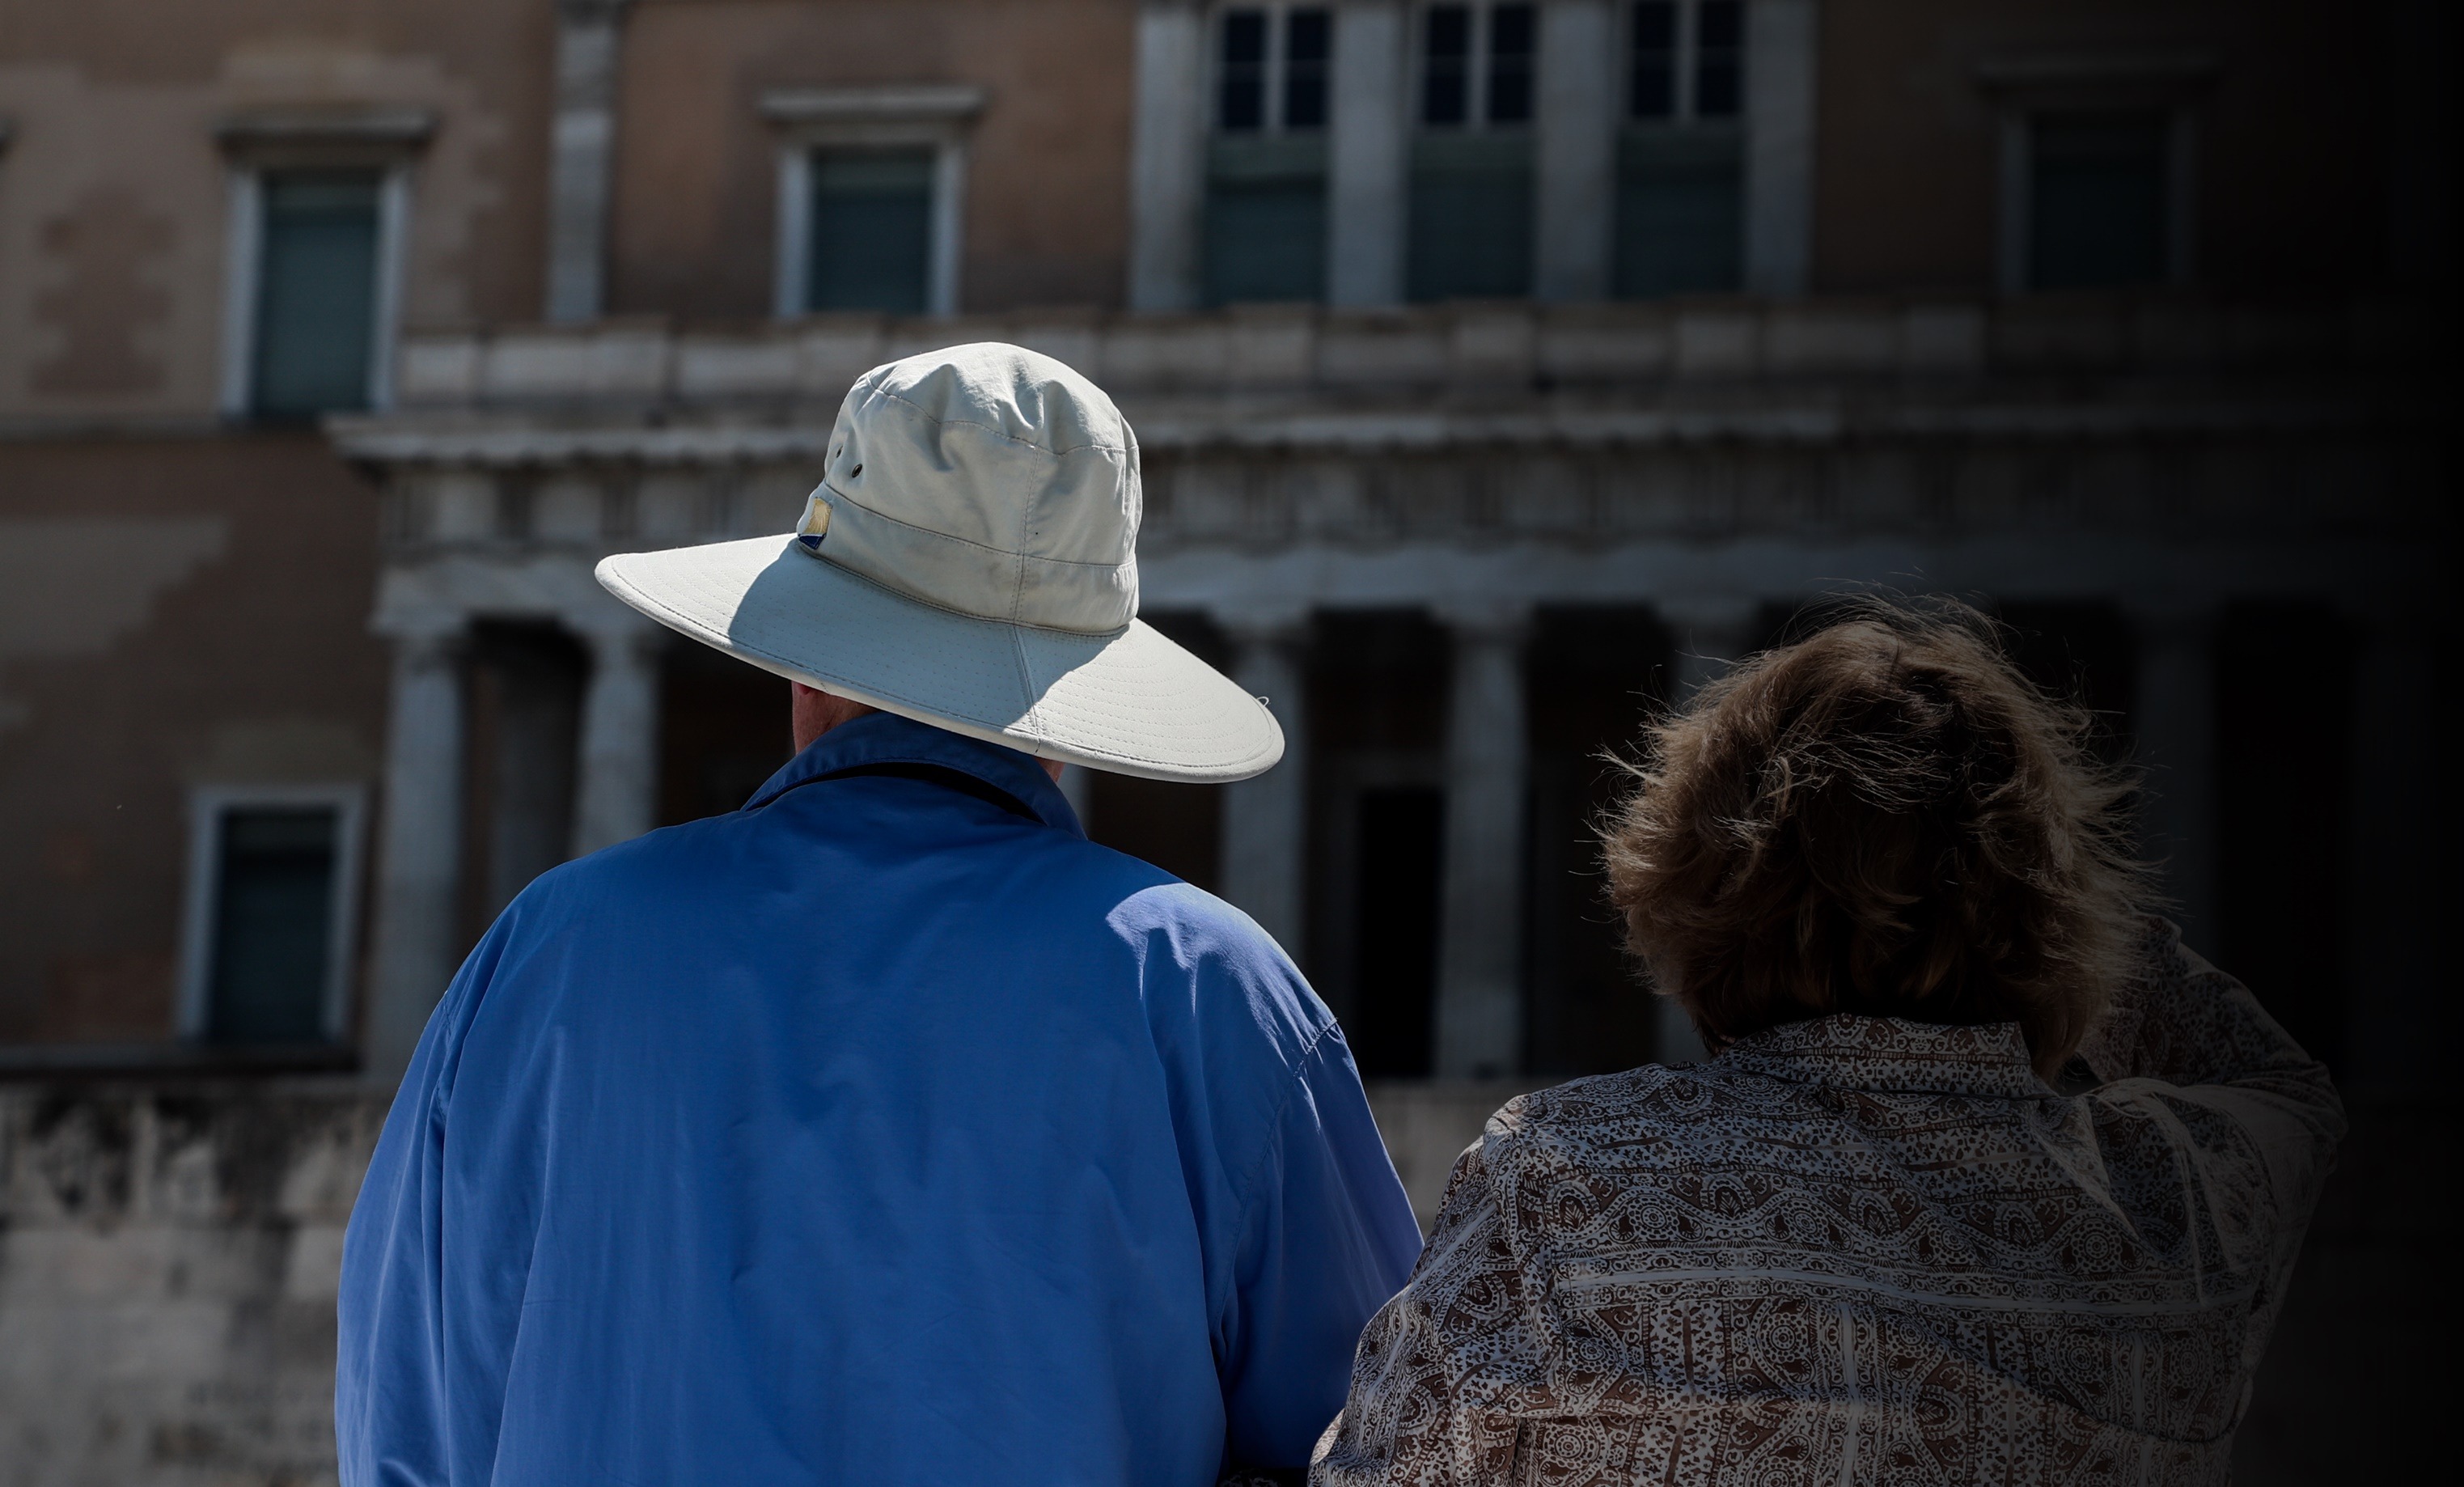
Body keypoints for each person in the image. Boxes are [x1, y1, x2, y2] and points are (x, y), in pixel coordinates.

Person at [337, 344, 1423, 1485]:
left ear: (804, 665)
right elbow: (1386, 1438)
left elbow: (410, 1430)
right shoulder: (1212, 993)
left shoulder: (544, 952)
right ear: (1061, 714)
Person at [1313, 600, 2345, 1487]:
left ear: (1693, 897)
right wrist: (2024, 899)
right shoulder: (2184, 1208)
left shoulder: (1563, 1181)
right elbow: (2280, 1085)